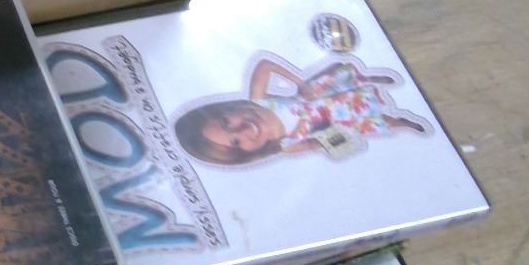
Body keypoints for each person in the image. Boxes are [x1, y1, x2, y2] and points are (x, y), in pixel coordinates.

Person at [173, 54, 431, 166]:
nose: (243, 130)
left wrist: (300, 83)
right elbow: (312, 145)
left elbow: (265, 65)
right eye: (236, 142)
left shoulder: (259, 101)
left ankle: (371, 78)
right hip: (336, 119)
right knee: (376, 120)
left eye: (227, 122)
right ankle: (403, 122)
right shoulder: (284, 145)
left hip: (320, 96)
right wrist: (335, 144)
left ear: (226, 108)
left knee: (344, 78)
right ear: (247, 153)